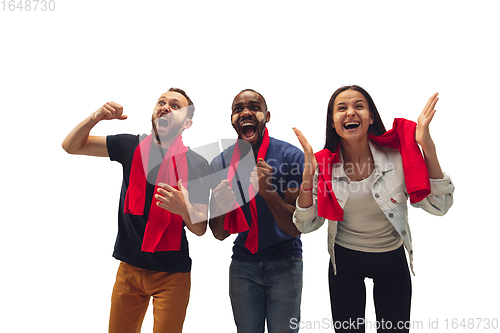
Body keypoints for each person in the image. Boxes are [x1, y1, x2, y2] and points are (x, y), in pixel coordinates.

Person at [292, 85, 454, 332]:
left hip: (391, 260)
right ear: (333, 122)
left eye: (358, 106)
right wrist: (307, 174)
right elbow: (305, 224)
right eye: (341, 108)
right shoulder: (324, 165)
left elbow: (439, 205)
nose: (350, 113)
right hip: (344, 261)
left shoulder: (398, 156)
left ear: (371, 118)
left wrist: (426, 144)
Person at [62, 88, 210, 333]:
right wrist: (96, 117)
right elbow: (71, 146)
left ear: (187, 122)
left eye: (175, 106)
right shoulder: (130, 145)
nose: (165, 107)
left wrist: (185, 209)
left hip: (172, 274)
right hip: (128, 270)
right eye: (161, 102)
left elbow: (200, 229)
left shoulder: (197, 165)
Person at [209, 89, 305, 333]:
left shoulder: (292, 157)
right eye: (238, 109)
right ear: (232, 119)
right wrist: (219, 207)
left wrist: (268, 192)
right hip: (242, 266)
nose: (245, 112)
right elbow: (219, 234)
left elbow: (296, 228)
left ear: (267, 116)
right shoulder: (220, 163)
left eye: (254, 107)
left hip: (285, 262)